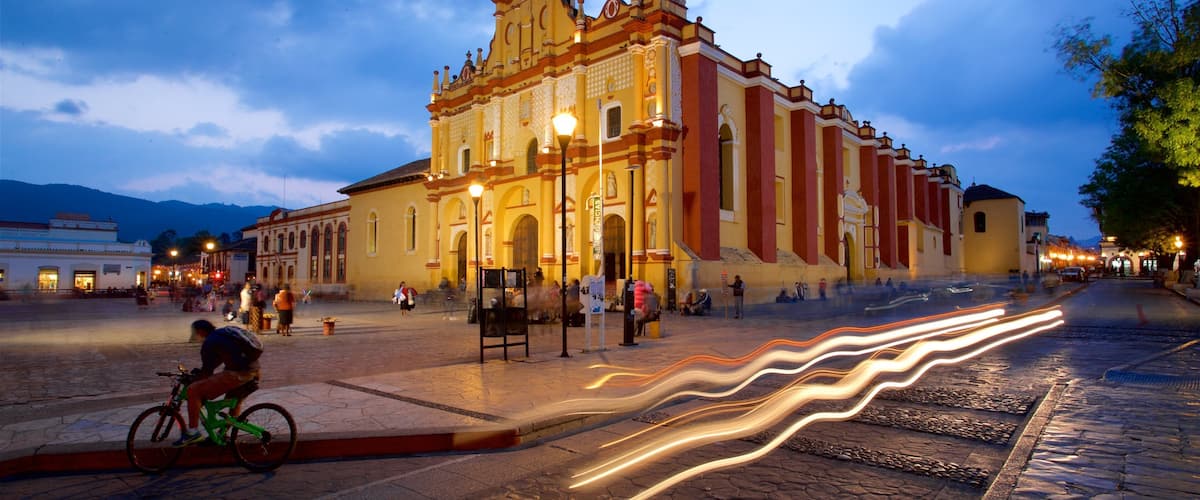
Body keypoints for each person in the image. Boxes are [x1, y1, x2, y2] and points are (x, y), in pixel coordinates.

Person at [174, 320, 262, 447]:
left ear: (201, 331)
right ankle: (222, 435)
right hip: (254, 371)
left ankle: (193, 432)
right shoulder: (221, 335)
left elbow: (207, 372)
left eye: (196, 332)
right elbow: (220, 359)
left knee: (193, 390)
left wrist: (193, 379)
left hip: (238, 374)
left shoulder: (209, 342)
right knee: (234, 402)